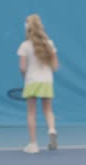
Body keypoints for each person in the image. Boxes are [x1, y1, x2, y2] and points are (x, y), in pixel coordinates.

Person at [17, 14, 58, 154]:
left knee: (31, 113)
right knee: (48, 110)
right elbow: (55, 65)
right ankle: (52, 130)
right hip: (47, 81)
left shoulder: (25, 46)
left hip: (32, 82)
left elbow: (22, 68)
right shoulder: (50, 44)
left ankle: (33, 144)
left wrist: (25, 78)